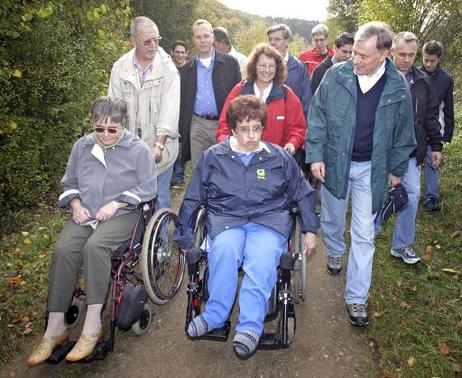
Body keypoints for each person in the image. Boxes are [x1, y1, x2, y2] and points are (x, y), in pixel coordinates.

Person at [175, 95, 319, 359]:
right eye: (245, 129)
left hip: (268, 220)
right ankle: (216, 315)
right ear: (232, 128)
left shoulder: (278, 157)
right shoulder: (213, 157)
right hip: (227, 219)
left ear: (263, 127)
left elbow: (303, 192)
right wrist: (184, 233)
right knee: (224, 251)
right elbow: (194, 196)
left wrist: (310, 229)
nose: (252, 135)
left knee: (261, 257)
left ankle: (250, 326)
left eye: (257, 128)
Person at [26, 97, 157, 366]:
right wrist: (74, 204)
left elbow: (148, 187)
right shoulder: (82, 146)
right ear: (92, 126)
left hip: (123, 214)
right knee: (63, 250)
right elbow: (69, 182)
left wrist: (118, 202)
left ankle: (92, 325)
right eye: (99, 129)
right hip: (86, 214)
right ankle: (54, 329)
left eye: (112, 129)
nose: (106, 135)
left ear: (123, 125)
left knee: (95, 247)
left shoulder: (137, 149)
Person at [306, 22, 416, 327]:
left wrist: (396, 169)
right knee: (331, 218)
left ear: (384, 54)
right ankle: (335, 251)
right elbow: (317, 116)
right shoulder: (335, 75)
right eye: (354, 51)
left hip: (372, 169)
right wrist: (315, 154)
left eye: (363, 55)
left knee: (365, 235)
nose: (355, 59)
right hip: (335, 163)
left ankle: (356, 298)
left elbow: (404, 134)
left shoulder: (397, 87)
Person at [382, 32, 442, 264]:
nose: (406, 59)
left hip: (409, 150)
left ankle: (402, 244)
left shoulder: (421, 82)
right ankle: (369, 234)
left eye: (411, 55)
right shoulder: (380, 77)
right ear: (392, 52)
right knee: (375, 197)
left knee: (413, 195)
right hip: (379, 149)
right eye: (402, 54)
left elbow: (430, 116)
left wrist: (435, 145)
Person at [108, 16, 180, 209]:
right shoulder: (120, 67)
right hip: (129, 149)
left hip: (160, 148)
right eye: (147, 41)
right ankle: (135, 237)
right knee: (130, 198)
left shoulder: (168, 70)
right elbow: (113, 109)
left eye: (157, 39)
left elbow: (170, 109)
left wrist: (158, 145)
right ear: (133, 41)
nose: (153, 45)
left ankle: (160, 239)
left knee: (160, 197)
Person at [216, 43, 306, 155]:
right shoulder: (240, 90)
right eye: (262, 65)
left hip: (274, 160)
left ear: (277, 68)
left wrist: (292, 144)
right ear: (254, 66)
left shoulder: (286, 95)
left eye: (271, 66)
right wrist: (226, 142)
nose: (267, 70)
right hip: (241, 158)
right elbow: (224, 123)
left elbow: (297, 129)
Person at [179, 19, 241, 169]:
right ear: (193, 40)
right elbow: (183, 104)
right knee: (199, 170)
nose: (203, 40)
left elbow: (239, 98)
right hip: (197, 125)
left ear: (213, 37)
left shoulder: (231, 63)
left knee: (224, 169)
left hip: (222, 124)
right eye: (198, 37)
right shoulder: (187, 70)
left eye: (206, 36)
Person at [420, 40, 455, 212]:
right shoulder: (415, 75)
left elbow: (449, 108)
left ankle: (430, 198)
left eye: (432, 61)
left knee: (432, 161)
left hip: (435, 127)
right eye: (425, 60)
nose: (428, 64)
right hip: (415, 127)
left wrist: (448, 132)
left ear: (439, 58)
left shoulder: (446, 79)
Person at [170, 40, 189, 185]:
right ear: (172, 52)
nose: (180, 55)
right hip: (170, 109)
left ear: (186, 54)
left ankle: (179, 173)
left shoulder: (190, 70)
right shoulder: (168, 69)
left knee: (182, 142)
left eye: (183, 52)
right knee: (170, 139)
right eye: (177, 52)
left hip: (185, 110)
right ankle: (169, 172)